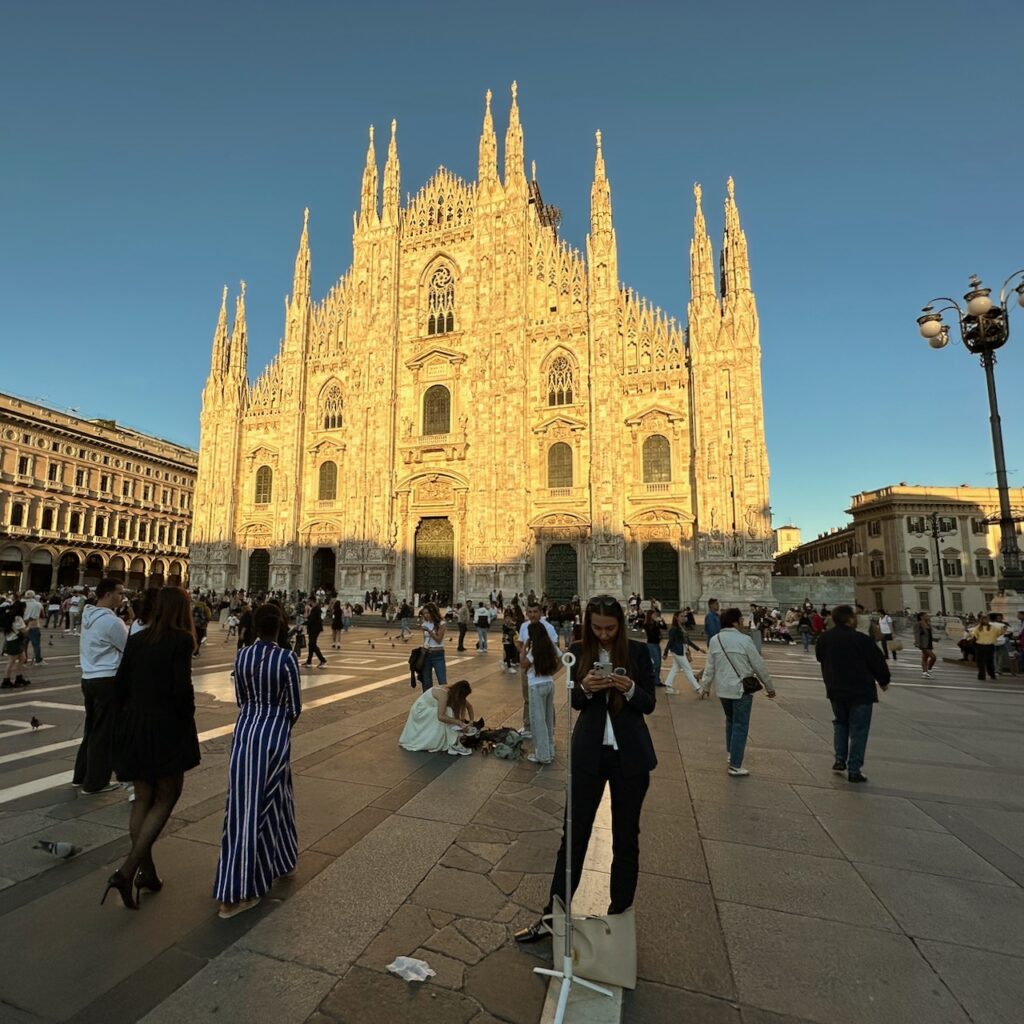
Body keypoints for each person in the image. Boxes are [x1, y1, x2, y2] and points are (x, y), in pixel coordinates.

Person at [515, 595, 657, 944]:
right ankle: (551, 918)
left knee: (626, 840)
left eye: (610, 628)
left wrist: (631, 688)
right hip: (589, 755)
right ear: (588, 625)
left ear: (621, 626)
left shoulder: (637, 653)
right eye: (597, 628)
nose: (604, 635)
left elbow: (649, 703)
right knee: (573, 838)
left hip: (630, 758)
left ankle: (618, 922)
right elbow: (576, 702)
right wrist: (586, 687)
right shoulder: (579, 651)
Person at [103, 587, 201, 909]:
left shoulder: (136, 638)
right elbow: (180, 691)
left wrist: (124, 723)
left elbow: (119, 687)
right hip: (164, 728)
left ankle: (147, 872)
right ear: (180, 611)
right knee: (168, 795)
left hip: (135, 726)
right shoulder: (181, 640)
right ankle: (127, 870)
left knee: (143, 798)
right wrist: (187, 718)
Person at [213, 604, 302, 919]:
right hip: (274, 734)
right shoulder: (286, 659)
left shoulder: (242, 656)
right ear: (280, 626)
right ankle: (239, 892)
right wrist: (278, 725)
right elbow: (294, 706)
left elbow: (240, 698)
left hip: (245, 732)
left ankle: (282, 860)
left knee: (259, 801)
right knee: (256, 810)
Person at [814, 604, 890, 783]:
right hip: (860, 691)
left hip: (835, 689)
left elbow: (820, 657)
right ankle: (854, 769)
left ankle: (840, 759)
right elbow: (878, 662)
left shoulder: (824, 638)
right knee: (859, 730)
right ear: (849, 619)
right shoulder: (861, 640)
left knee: (840, 723)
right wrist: (884, 681)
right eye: (854, 617)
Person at [699, 608, 777, 776]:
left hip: (723, 689)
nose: (743, 622)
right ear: (734, 622)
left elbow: (710, 667)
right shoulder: (744, 640)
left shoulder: (715, 640)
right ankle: (735, 765)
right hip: (741, 689)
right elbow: (758, 665)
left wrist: (705, 686)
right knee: (740, 725)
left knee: (730, 721)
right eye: (741, 619)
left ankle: (731, 753)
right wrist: (769, 687)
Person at [74, 579, 129, 793]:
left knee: (92, 729)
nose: (122, 597)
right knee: (104, 732)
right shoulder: (112, 622)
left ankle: (81, 775)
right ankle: (96, 783)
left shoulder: (89, 616)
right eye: (119, 593)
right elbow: (128, 648)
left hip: (88, 678)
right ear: (107, 594)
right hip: (107, 680)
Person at [399, 678, 475, 756]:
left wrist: (471, 722)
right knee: (448, 711)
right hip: (420, 711)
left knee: (449, 712)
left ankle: (453, 741)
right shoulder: (443, 694)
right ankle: (453, 743)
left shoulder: (453, 692)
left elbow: (469, 707)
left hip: (428, 709)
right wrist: (458, 722)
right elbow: (441, 716)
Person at [516, 601, 559, 738]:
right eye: (530, 612)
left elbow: (555, 647)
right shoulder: (524, 626)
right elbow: (521, 643)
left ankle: (550, 727)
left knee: (546, 701)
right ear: (527, 613)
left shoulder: (548, 627)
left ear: (540, 612)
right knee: (527, 697)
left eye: (535, 612)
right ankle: (528, 725)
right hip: (528, 667)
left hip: (542, 668)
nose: (533, 615)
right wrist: (525, 654)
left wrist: (552, 669)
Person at [524, 621, 559, 764]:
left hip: (536, 685)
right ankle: (550, 750)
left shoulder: (534, 650)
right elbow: (562, 657)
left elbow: (523, 664)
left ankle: (543, 755)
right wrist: (553, 672)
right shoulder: (550, 646)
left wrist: (524, 647)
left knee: (538, 721)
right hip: (549, 683)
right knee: (548, 718)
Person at [664, 610, 703, 696]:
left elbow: (687, 641)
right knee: (688, 669)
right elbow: (670, 642)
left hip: (681, 650)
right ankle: (698, 688)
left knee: (675, 668)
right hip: (678, 651)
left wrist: (699, 649)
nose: (683, 618)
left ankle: (668, 685)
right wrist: (665, 653)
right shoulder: (674, 629)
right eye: (681, 616)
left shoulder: (681, 627)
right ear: (676, 617)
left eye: (683, 616)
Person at [1, 601, 30, 688]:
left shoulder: (9, 616)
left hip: (11, 640)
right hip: (14, 642)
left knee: (22, 659)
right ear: (21, 608)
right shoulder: (17, 618)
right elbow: (24, 632)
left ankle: (19, 678)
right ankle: (6, 681)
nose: (25, 610)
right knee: (11, 661)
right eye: (24, 608)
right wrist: (29, 627)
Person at [420, 602, 448, 689]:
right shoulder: (424, 623)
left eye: (428, 613)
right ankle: (427, 701)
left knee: (442, 681)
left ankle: (445, 700)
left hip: (438, 653)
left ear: (433, 612)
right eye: (424, 613)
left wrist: (429, 630)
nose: (426, 615)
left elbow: (438, 639)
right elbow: (426, 640)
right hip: (427, 653)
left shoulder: (441, 623)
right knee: (426, 682)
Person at [970, 614, 1000, 681]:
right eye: (985, 619)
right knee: (981, 662)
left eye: (987, 619)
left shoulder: (990, 628)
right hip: (982, 646)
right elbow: (998, 634)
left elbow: (973, 635)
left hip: (987, 646)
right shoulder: (978, 628)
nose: (986, 620)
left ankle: (990, 674)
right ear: (982, 620)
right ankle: (984, 675)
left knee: (988, 662)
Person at [642, 609, 665, 684]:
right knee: (656, 662)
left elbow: (665, 627)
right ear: (650, 615)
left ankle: (656, 681)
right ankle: (647, 675)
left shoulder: (656, 623)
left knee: (659, 663)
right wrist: (656, 624)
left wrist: (662, 621)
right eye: (654, 614)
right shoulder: (647, 624)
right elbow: (651, 634)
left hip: (657, 644)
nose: (655, 616)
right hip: (651, 644)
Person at [22, 590, 44, 664]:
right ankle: (38, 660)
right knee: (36, 645)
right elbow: (42, 615)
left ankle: (24, 659)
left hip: (23, 625)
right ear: (34, 596)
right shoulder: (38, 604)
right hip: (34, 625)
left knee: (24, 644)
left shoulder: (22, 604)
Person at [304, 601, 327, 668]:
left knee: (312, 644)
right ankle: (309, 661)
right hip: (314, 629)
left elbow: (312, 620)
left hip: (314, 629)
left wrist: (304, 623)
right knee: (311, 645)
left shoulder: (315, 609)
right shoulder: (316, 609)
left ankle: (322, 660)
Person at [913, 612, 936, 678]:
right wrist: (917, 643)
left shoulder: (928, 624)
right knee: (933, 657)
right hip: (923, 644)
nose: (928, 616)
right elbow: (916, 634)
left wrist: (935, 639)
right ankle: (929, 670)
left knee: (925, 658)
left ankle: (925, 673)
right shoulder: (918, 624)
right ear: (921, 617)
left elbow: (928, 635)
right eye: (926, 615)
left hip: (929, 643)